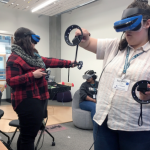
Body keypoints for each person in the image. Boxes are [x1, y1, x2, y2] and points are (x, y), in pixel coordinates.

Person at [75, 0, 150, 150]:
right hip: (103, 120)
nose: (127, 31)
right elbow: (87, 43)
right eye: (124, 26)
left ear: (147, 23)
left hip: (135, 127)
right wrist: (83, 37)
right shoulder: (114, 46)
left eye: (132, 25)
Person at [6, 27, 76, 150]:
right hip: (26, 102)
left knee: (25, 135)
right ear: (25, 40)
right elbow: (11, 81)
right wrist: (32, 75)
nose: (34, 44)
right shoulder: (14, 58)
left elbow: (50, 61)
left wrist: (70, 63)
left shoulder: (34, 57)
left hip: (38, 99)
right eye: (32, 41)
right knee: (29, 137)